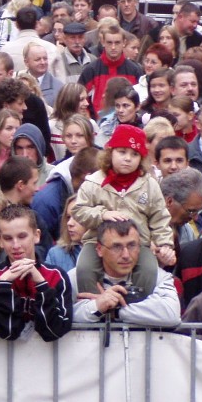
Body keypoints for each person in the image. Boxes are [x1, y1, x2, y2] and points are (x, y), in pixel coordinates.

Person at [73, 125, 175, 295]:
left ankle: (135, 306)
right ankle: (93, 306)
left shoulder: (149, 184)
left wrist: (164, 243)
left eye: (134, 154)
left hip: (138, 243)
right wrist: (101, 214)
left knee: (148, 270)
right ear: (110, 153)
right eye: (122, 152)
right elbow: (79, 210)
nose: (128, 159)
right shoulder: (93, 182)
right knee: (84, 268)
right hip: (97, 241)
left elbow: (160, 217)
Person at [0, 204, 73, 341]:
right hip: (1, 360)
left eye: (22, 236)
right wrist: (5, 285)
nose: (16, 245)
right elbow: (8, 332)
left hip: (50, 359)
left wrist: (41, 285)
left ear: (36, 236)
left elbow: (54, 331)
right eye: (8, 238)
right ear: (0, 241)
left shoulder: (56, 276)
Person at [71, 219, 181, 326]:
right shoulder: (77, 276)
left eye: (132, 245)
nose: (126, 255)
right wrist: (97, 306)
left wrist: (115, 310)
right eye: (116, 247)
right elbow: (62, 315)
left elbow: (172, 314)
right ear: (99, 249)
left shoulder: (156, 275)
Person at [78, 25, 143, 115]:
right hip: (98, 123)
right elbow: (80, 99)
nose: (113, 47)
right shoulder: (91, 70)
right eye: (109, 43)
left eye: (117, 43)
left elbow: (140, 99)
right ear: (103, 42)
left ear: (124, 43)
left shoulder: (135, 70)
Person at [45, 196, 85, 272]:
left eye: (76, 217)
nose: (69, 223)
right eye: (68, 217)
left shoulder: (104, 252)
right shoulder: (55, 254)